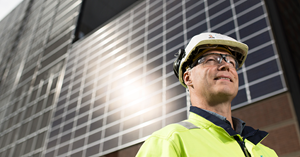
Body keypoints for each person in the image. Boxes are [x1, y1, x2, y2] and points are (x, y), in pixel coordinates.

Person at [136, 32, 278, 157]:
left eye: (231, 61)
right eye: (210, 60)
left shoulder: (267, 152)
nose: (225, 65)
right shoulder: (169, 141)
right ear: (188, 78)